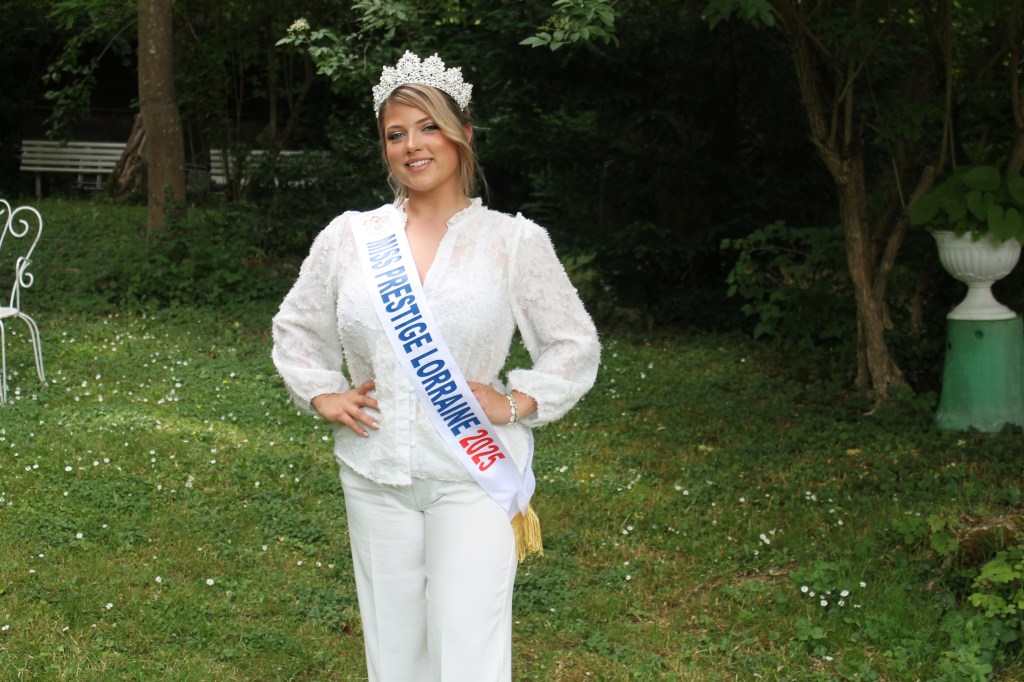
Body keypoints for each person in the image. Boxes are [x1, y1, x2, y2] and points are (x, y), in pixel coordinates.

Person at [271, 50, 600, 682]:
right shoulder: (351, 237)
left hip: (470, 474)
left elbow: (573, 342)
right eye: (396, 133)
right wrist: (321, 393)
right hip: (374, 472)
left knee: (468, 653)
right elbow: (296, 328)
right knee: (394, 655)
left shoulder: (513, 241)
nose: (412, 145)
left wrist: (516, 402)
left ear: (462, 134)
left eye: (428, 127)